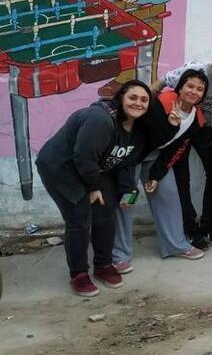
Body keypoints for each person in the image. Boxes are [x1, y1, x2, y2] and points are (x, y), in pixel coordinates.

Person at [36, 81, 150, 297]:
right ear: (121, 98)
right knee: (79, 217)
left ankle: (104, 265)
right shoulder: (100, 119)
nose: (138, 103)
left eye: (144, 100)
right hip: (62, 167)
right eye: (132, 97)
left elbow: (126, 161)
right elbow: (83, 156)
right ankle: (78, 274)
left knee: (106, 214)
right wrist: (93, 187)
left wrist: (129, 193)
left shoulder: (137, 129)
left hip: (94, 169)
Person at [151, 40, 212, 248]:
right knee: (182, 177)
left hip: (201, 126)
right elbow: (160, 84)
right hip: (178, 124)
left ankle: (207, 225)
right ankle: (190, 227)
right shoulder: (194, 70)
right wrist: (145, 112)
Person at [113, 69, 211, 272]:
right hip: (131, 158)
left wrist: (157, 175)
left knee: (169, 196)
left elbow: (176, 148)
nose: (194, 91)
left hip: (154, 159)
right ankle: (119, 255)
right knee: (126, 202)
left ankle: (176, 245)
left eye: (200, 89)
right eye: (190, 86)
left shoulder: (196, 118)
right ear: (180, 87)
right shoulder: (161, 103)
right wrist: (170, 125)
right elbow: (144, 137)